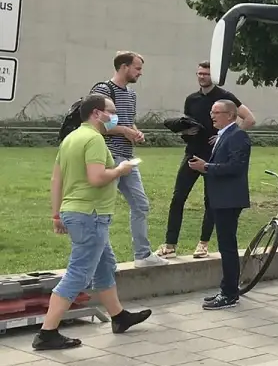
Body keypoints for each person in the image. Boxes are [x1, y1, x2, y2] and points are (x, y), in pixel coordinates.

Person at [36, 93, 153, 350]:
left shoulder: (71, 138)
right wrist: (122, 170)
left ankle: (119, 317)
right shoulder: (94, 139)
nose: (115, 117)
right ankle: (47, 332)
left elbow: (57, 180)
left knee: (104, 265)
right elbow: (97, 178)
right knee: (79, 272)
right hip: (91, 214)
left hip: (77, 212)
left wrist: (56, 214)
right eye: (111, 112)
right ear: (97, 113)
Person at [158, 60, 256, 260]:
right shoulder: (191, 99)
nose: (202, 77)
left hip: (214, 156)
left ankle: (203, 244)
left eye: (206, 73)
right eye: (199, 73)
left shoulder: (225, 97)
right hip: (192, 153)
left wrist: (225, 136)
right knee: (178, 198)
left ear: (214, 76)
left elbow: (249, 119)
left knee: (211, 201)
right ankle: (170, 244)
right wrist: (186, 130)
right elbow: (187, 124)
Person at [90, 51, 167, 268]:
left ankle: (142, 255)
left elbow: (126, 121)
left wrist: (135, 132)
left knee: (141, 204)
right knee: (102, 208)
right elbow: (98, 124)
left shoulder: (131, 95)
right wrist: (124, 131)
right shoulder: (104, 90)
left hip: (127, 157)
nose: (140, 73)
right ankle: (98, 258)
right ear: (124, 67)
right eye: (137, 68)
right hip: (107, 155)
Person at [187, 100, 252, 310]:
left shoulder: (238, 135)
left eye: (217, 112)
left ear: (231, 115)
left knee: (228, 247)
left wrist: (206, 167)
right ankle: (227, 288)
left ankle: (229, 293)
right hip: (221, 198)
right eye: (211, 112)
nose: (212, 116)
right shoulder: (224, 135)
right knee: (226, 246)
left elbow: (236, 167)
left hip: (229, 199)